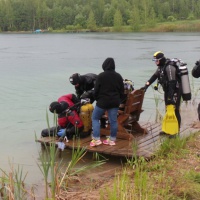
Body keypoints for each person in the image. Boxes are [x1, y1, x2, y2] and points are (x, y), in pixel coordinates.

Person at [141, 51, 182, 135]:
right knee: (168, 110)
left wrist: (170, 96)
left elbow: (172, 82)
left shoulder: (169, 67)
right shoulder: (161, 67)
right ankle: (168, 130)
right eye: (155, 61)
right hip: (167, 91)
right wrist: (146, 86)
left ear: (161, 60)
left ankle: (176, 132)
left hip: (175, 91)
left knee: (175, 110)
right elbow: (154, 76)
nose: (156, 63)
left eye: (157, 61)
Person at [90, 57, 124, 147]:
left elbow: (95, 91)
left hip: (102, 102)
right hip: (114, 102)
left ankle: (96, 139)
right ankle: (112, 140)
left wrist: (97, 99)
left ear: (104, 65)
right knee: (113, 121)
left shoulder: (101, 76)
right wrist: (118, 100)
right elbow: (122, 91)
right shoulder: (118, 76)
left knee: (95, 118)